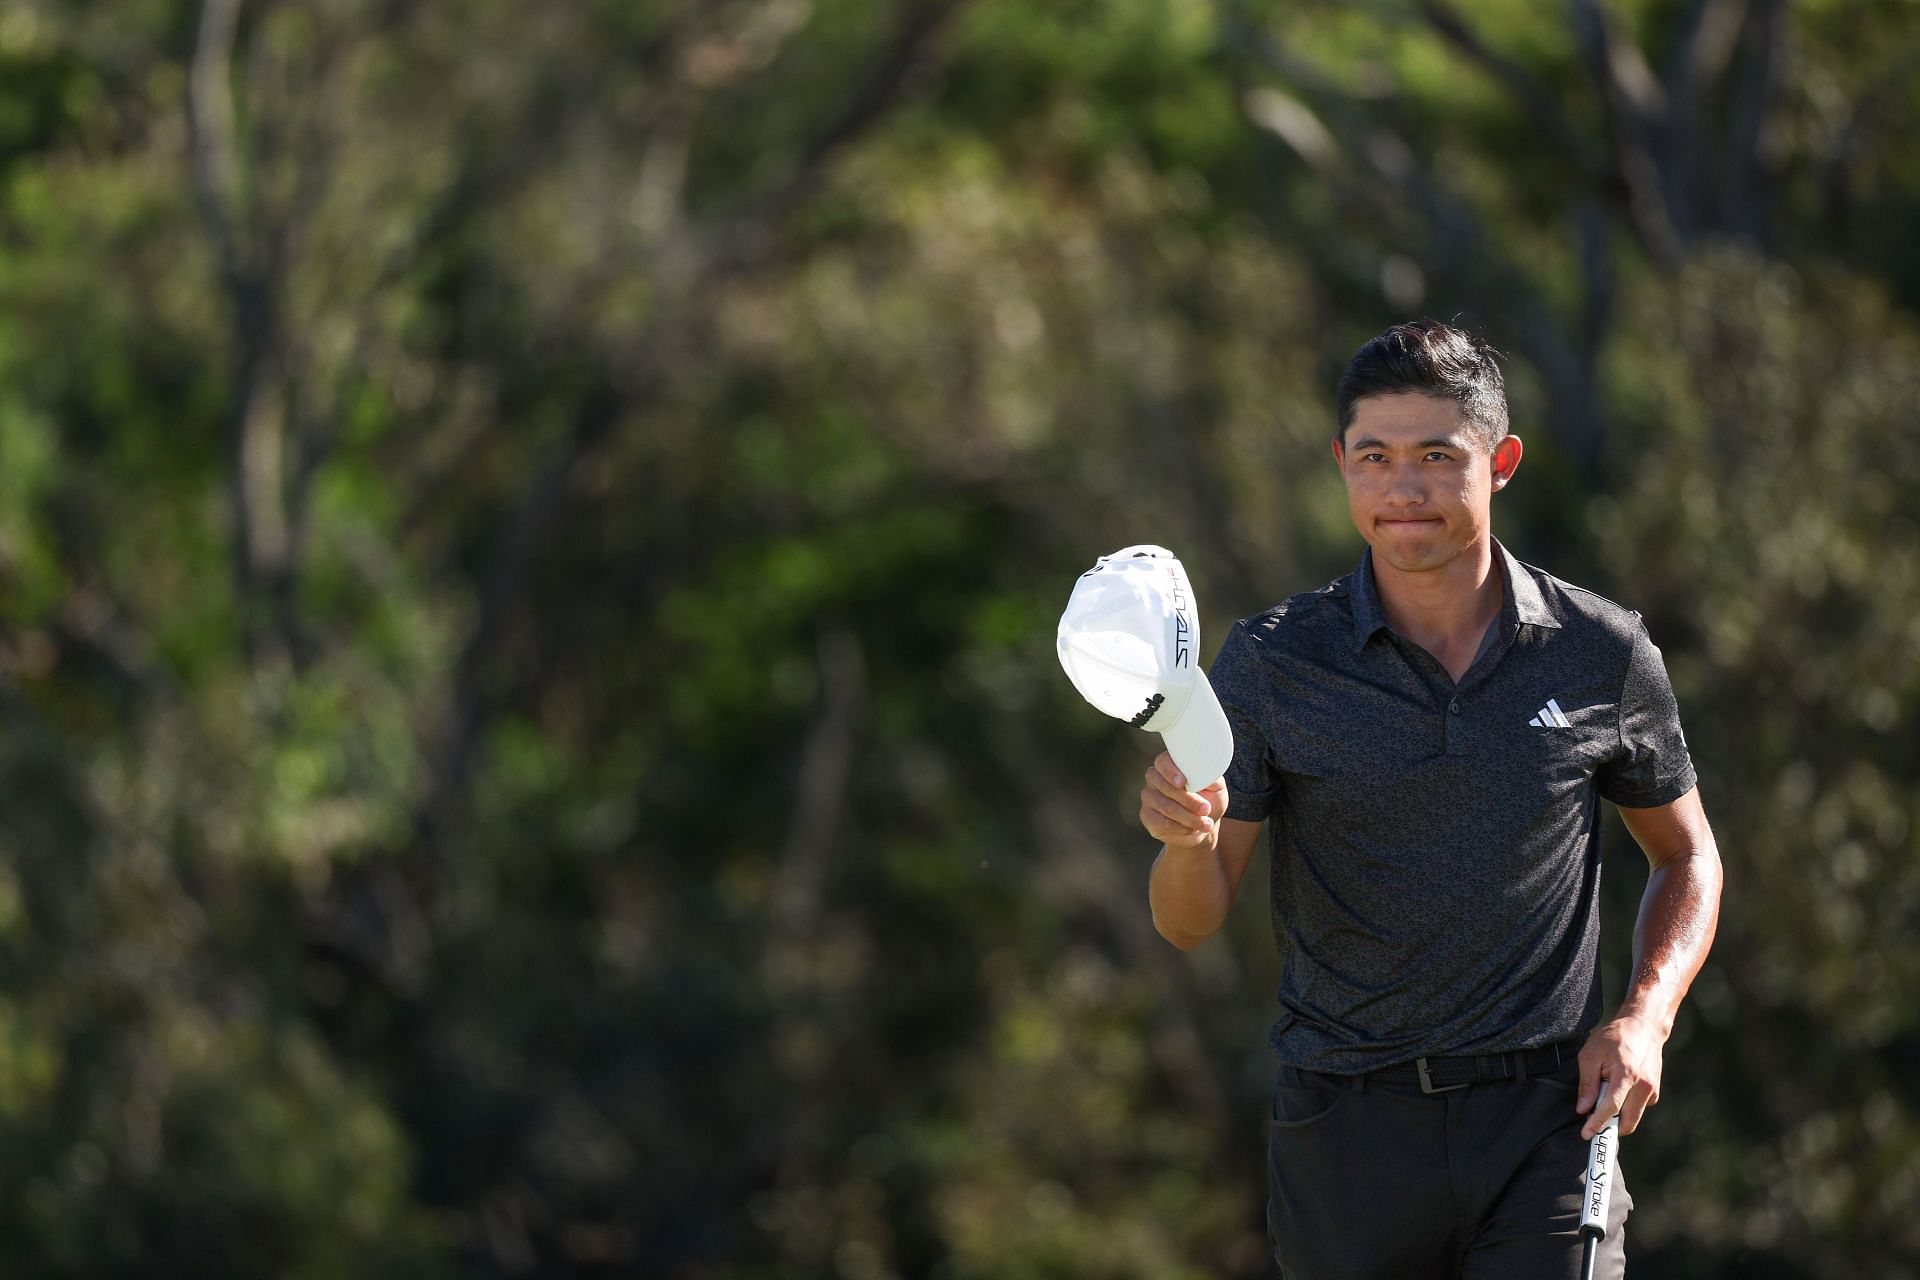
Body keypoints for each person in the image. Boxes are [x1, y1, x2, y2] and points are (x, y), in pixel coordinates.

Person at [1137, 320, 1723, 1279]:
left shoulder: (1601, 651)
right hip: (1346, 1132)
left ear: (1501, 462)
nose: (1403, 488)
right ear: (1341, 465)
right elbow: (1189, 921)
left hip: (1550, 1118)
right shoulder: (1274, 662)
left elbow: (1688, 854)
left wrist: (1645, 1017)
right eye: (1375, 457)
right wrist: (1183, 841)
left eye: (1436, 457)